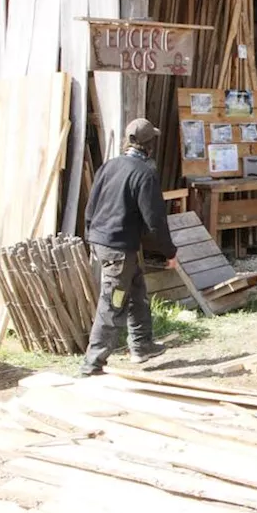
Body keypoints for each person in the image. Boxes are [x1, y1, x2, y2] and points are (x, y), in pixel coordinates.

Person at [79, 119, 177, 376]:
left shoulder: (108, 166)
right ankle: (92, 364)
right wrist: (170, 253)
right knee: (113, 302)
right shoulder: (145, 173)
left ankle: (142, 345)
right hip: (119, 249)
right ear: (150, 146)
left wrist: (91, 235)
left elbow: (91, 206)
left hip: (105, 243)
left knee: (135, 291)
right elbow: (155, 220)